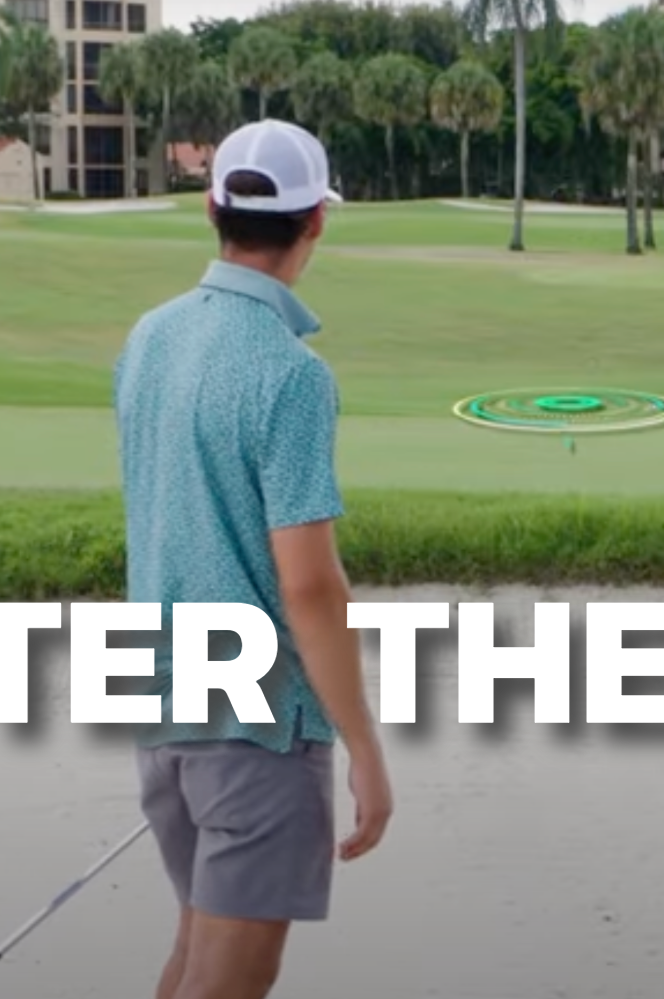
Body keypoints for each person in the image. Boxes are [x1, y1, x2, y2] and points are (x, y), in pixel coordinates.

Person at [113, 118, 393, 999]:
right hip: (258, 730)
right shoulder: (293, 373)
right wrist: (367, 751)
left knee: (195, 959)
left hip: (166, 712)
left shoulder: (150, 337)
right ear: (316, 222)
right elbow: (310, 585)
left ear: (212, 209)